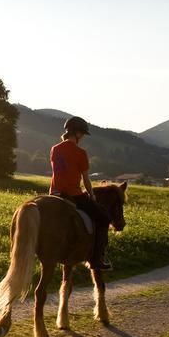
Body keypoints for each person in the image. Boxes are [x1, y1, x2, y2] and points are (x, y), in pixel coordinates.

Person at [49, 116, 112, 270]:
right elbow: (86, 180)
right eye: (82, 134)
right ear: (77, 133)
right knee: (104, 218)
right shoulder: (80, 152)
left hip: (54, 193)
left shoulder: (55, 149)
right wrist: (91, 195)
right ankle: (96, 260)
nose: (83, 137)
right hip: (73, 194)